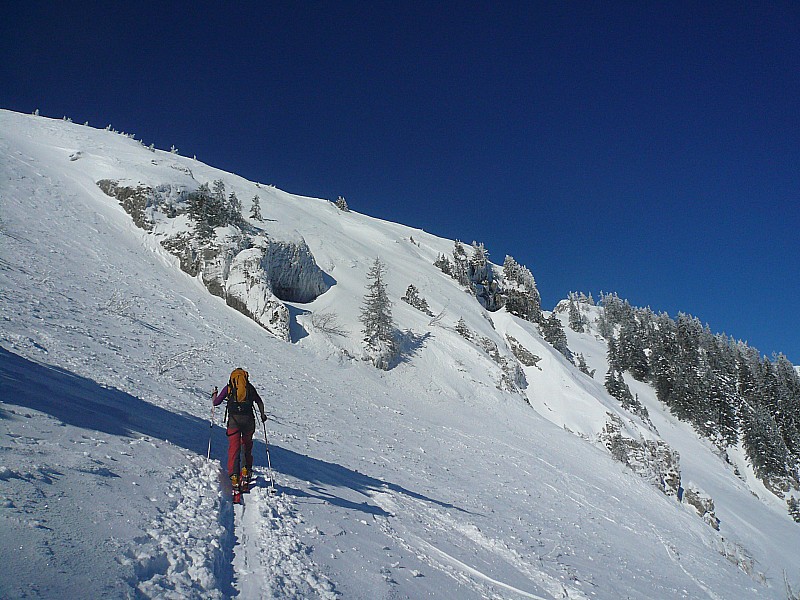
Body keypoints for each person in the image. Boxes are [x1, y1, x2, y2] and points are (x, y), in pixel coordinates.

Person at [213, 368, 267, 489]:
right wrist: (263, 415)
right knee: (246, 446)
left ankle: (234, 476)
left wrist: (214, 395)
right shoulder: (249, 388)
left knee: (234, 448)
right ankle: (245, 470)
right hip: (248, 421)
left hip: (234, 422)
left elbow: (216, 402)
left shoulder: (229, 388)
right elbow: (259, 401)